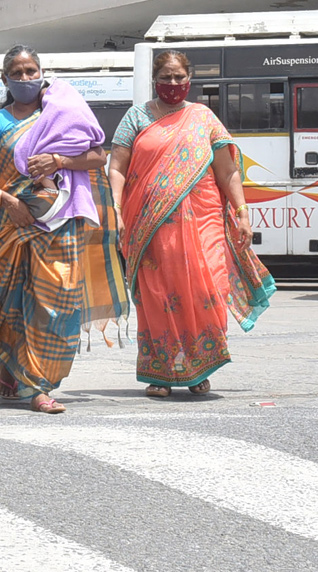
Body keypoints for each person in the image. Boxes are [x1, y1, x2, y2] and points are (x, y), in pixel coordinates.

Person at [0, 45, 128, 414]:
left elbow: (99, 156)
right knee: (15, 304)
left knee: (58, 303)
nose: (25, 78)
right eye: (16, 73)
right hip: (13, 223)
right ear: (5, 80)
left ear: (42, 73)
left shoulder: (62, 112)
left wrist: (59, 160)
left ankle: (28, 377)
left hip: (62, 222)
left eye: (30, 71)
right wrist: (5, 200)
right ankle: (34, 386)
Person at [109, 50, 276, 397]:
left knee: (209, 289)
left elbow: (227, 171)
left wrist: (243, 213)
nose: (172, 83)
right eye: (165, 77)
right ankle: (162, 373)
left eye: (179, 77)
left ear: (189, 80)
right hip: (150, 225)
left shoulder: (203, 117)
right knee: (159, 296)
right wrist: (116, 208)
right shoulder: (136, 117)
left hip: (204, 220)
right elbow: (117, 168)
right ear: (154, 80)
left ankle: (201, 365)